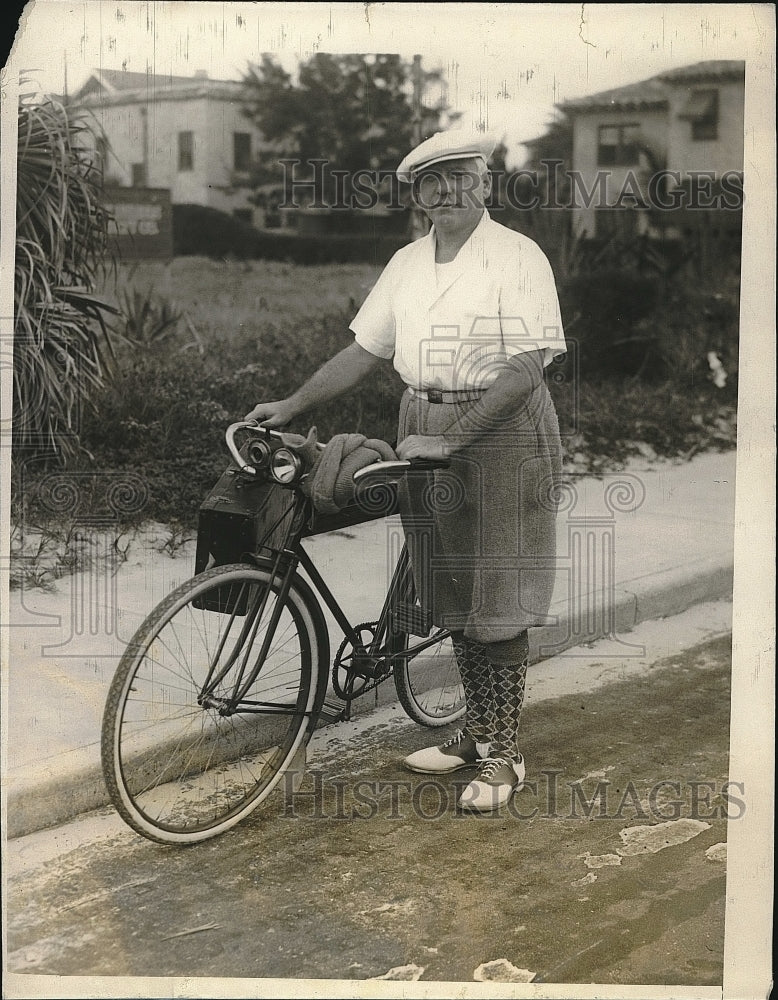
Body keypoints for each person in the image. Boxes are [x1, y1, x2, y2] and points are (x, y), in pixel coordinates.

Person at [245, 129, 566, 812]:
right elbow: (363, 350)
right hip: (423, 422)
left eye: (459, 177)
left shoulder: (517, 256)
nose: (445, 192)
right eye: (430, 182)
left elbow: (526, 369)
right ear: (416, 195)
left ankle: (506, 757)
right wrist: (294, 403)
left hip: (504, 431)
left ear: (485, 181)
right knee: (451, 587)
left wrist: (452, 440)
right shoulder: (408, 263)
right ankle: (475, 730)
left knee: (496, 596)